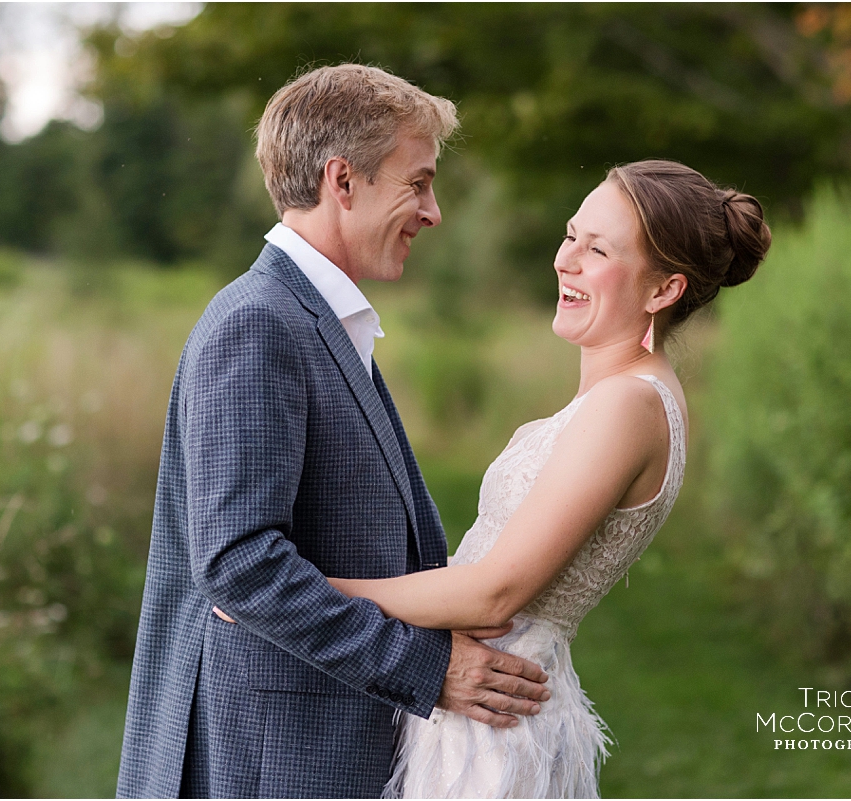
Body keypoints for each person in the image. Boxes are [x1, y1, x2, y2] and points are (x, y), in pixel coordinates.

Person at [115, 64, 551, 800]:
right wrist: (427, 666)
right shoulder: (259, 325)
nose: (434, 211)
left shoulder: (314, 320)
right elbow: (241, 564)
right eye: (418, 183)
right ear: (342, 181)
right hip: (268, 763)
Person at [327, 159, 773, 798]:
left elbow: (494, 593)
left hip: (498, 725)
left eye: (598, 250)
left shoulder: (629, 405)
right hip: (484, 704)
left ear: (663, 290)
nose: (566, 261)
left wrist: (306, 591)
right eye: (570, 236)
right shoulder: (621, 396)